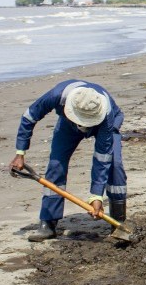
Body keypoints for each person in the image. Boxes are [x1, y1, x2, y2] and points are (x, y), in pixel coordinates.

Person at [10, 80, 127, 242]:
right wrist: (20, 152)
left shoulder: (107, 115)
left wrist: (96, 196)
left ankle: (118, 222)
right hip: (68, 123)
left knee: (114, 165)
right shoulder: (57, 95)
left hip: (103, 124)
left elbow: (102, 158)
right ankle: (48, 223)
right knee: (55, 164)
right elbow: (29, 117)